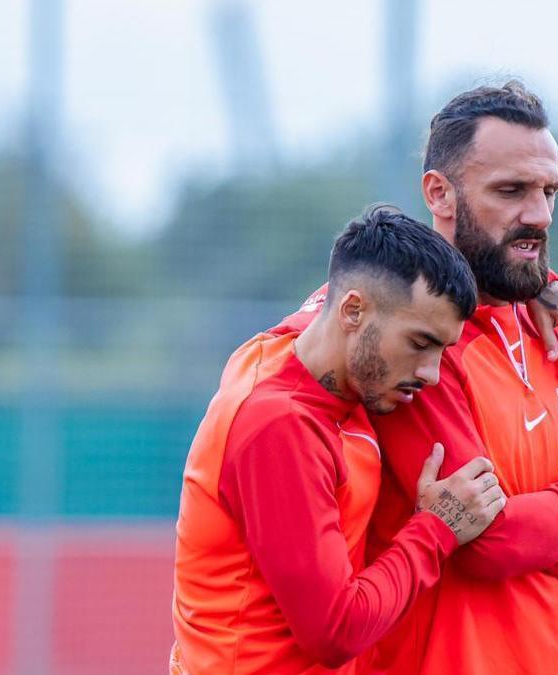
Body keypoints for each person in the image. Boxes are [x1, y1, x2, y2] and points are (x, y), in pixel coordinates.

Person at [271, 80, 558, 675]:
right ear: (439, 193)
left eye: (550, 191)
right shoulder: (415, 352)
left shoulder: (553, 333)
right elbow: (489, 542)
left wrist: (537, 517)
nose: (539, 215)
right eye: (511, 190)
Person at [170, 205, 508, 674]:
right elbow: (335, 631)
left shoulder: (304, 358)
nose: (431, 374)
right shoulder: (278, 425)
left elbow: (351, 279)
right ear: (351, 311)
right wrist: (438, 527)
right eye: (419, 342)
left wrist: (543, 287)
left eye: (442, 350)